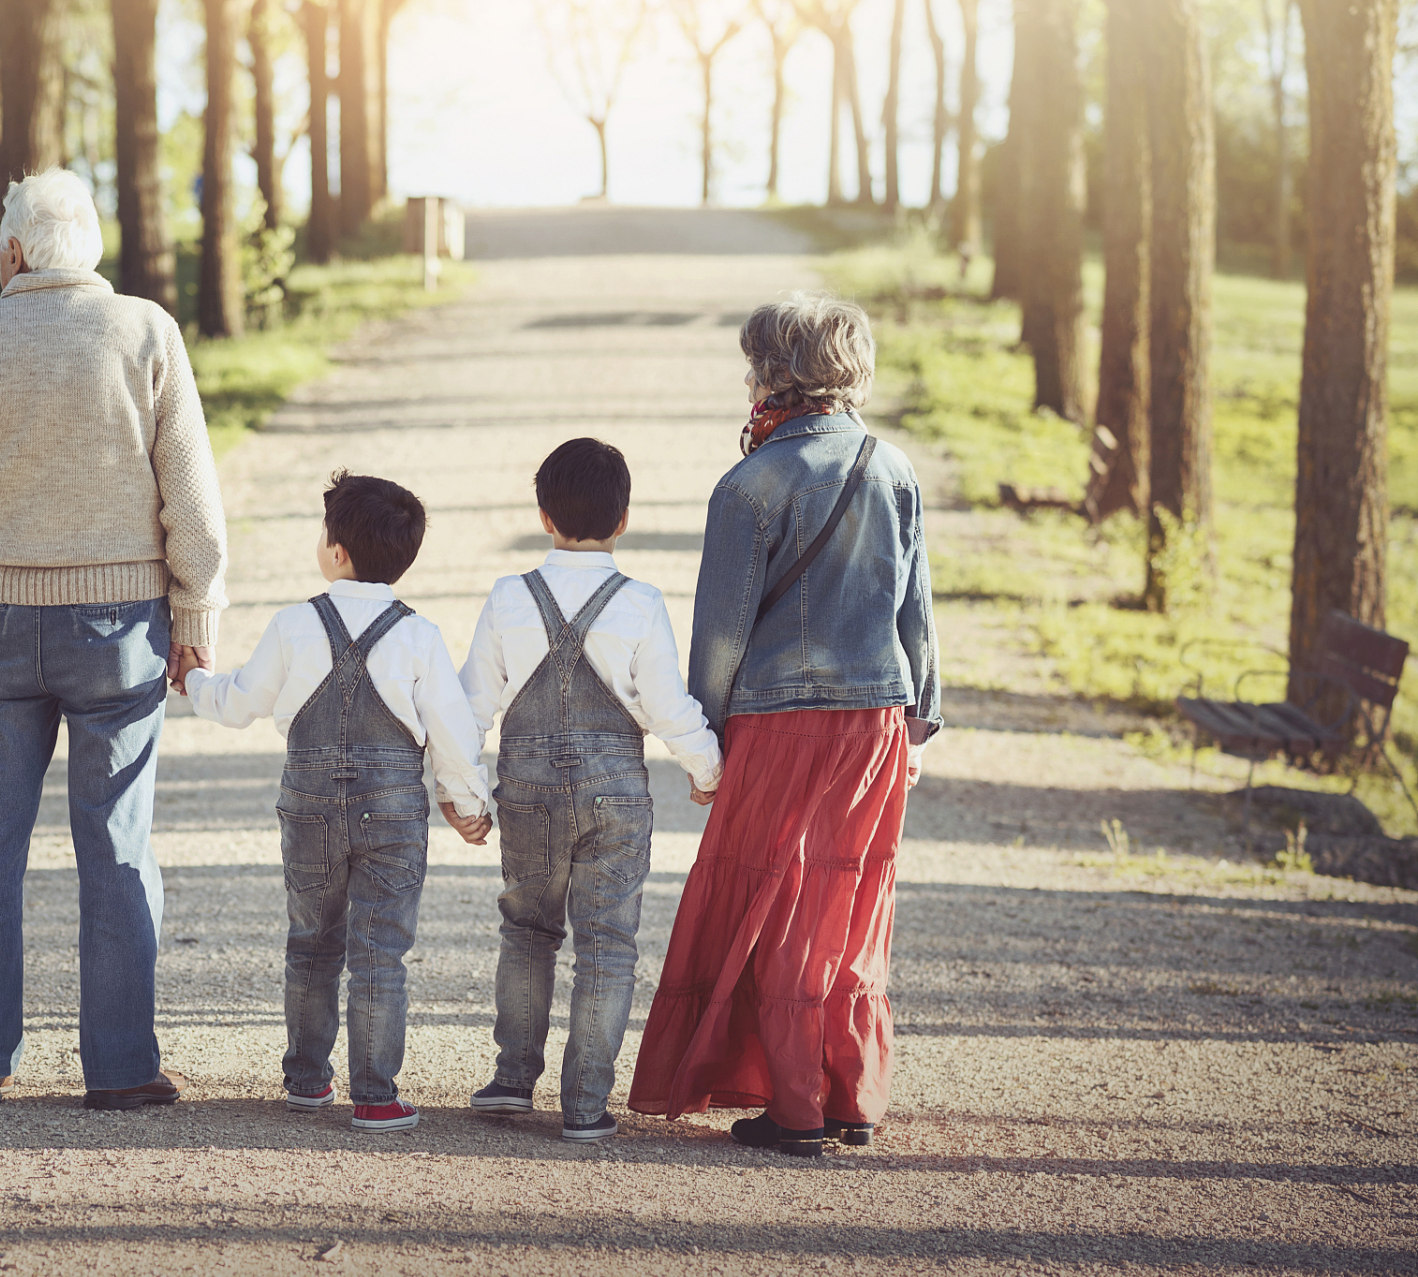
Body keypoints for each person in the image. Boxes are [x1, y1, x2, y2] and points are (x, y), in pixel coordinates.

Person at [0, 169, 228, 1110]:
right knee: (117, 844)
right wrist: (194, 620)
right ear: (92, 252)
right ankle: (120, 1068)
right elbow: (192, 506)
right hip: (117, 629)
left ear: (13, 251)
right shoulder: (146, 331)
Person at [627, 292, 941, 1158]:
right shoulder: (894, 468)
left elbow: (720, 633)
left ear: (773, 373)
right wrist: (919, 723)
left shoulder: (749, 484)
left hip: (779, 724)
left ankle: (794, 1107)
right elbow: (919, 613)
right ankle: (853, 1096)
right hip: (876, 719)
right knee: (850, 902)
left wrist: (705, 742)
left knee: (776, 899)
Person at [182, 471, 492, 1132]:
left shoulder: (295, 625)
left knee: (312, 941)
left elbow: (240, 703)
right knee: (381, 950)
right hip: (394, 812)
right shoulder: (418, 636)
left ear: (337, 552)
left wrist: (194, 682)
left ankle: (307, 1079)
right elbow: (454, 732)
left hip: (310, 806)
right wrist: (468, 801)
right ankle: (376, 1094)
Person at [457, 438, 721, 1143]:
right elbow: (667, 705)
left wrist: (465, 792)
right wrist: (707, 770)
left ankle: (513, 1079)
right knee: (607, 943)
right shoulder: (639, 602)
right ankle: (583, 1106)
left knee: (527, 929)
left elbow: (471, 706)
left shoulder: (511, 596)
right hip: (615, 791)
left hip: (528, 788)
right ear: (625, 519)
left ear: (544, 516)